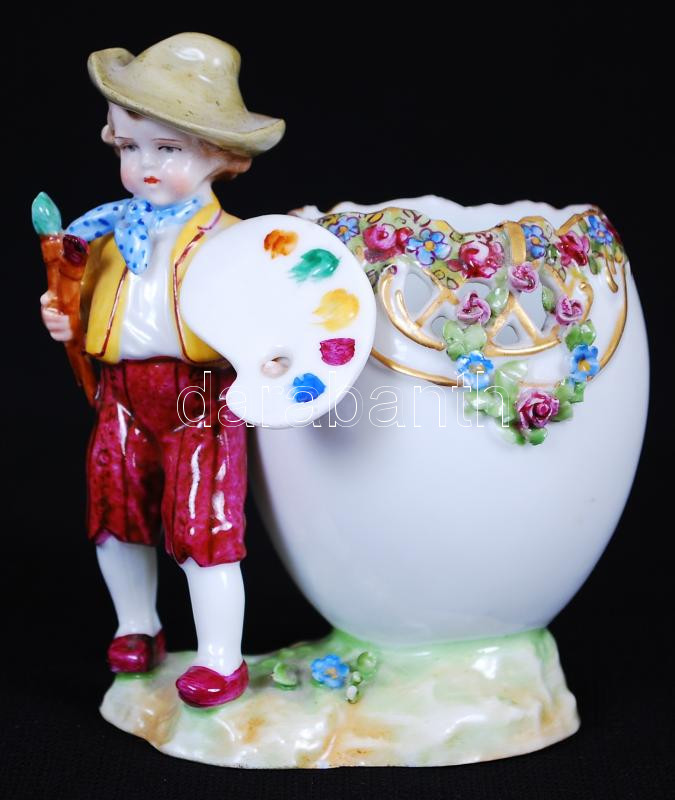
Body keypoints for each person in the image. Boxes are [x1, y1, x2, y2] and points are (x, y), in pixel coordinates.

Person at [39, 33, 285, 708]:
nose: (144, 164)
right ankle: (136, 626)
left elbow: (272, 318)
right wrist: (65, 320)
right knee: (114, 513)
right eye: (129, 147)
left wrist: (268, 356)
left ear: (221, 156)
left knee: (203, 527)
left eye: (167, 148)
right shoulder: (106, 236)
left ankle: (219, 659)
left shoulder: (237, 244)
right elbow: (85, 306)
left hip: (198, 399)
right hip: (121, 393)